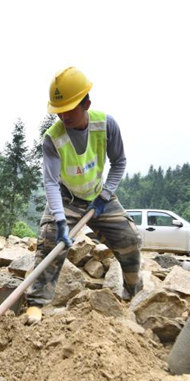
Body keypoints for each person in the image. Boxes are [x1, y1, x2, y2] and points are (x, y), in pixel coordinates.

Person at [25, 67, 142, 325]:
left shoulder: (106, 125)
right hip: (66, 197)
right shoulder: (52, 139)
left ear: (86, 102)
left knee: (129, 238)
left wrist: (106, 195)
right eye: (59, 110)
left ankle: (133, 292)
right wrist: (59, 221)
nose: (63, 116)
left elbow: (119, 162)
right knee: (49, 243)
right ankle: (36, 302)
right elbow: (51, 183)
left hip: (99, 195)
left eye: (69, 108)